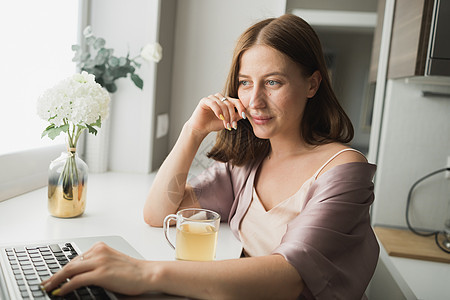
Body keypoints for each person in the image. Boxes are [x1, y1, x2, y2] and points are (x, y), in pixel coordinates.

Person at [42, 14, 379, 299]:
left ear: (312, 84)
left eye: (273, 82)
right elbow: (160, 213)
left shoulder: (345, 169)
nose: (255, 100)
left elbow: (292, 275)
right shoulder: (249, 165)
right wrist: (193, 130)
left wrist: (145, 272)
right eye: (245, 83)